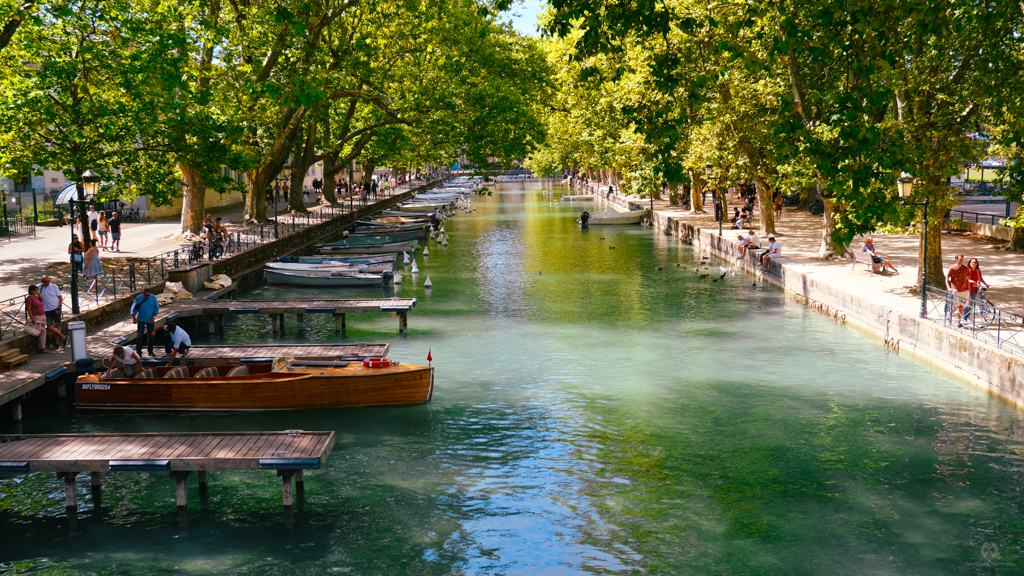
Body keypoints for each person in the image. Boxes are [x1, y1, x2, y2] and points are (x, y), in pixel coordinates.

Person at [37, 276, 67, 349]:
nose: (47, 283)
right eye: (45, 281)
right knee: (49, 326)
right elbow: (32, 291)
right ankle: (63, 337)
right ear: (42, 282)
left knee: (57, 325)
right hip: (46, 310)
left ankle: (57, 343)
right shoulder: (39, 287)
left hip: (56, 308)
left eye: (48, 281)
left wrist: (59, 305)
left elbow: (60, 296)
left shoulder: (54, 286)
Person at [130, 286, 160, 357]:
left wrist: (154, 317)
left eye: (148, 295)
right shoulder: (138, 298)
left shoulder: (153, 297)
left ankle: (150, 351)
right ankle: (139, 352)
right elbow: (133, 308)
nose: (147, 296)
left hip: (150, 319)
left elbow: (157, 308)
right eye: (145, 295)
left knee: (151, 335)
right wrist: (134, 318)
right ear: (142, 293)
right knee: (140, 335)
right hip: (141, 319)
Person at [945, 253, 971, 326]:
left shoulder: (965, 268)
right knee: (957, 306)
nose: (961, 260)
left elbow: (967, 279)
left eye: (962, 259)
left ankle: (959, 322)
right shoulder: (952, 268)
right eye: (960, 259)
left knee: (962, 306)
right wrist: (948, 287)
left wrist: (968, 289)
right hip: (956, 290)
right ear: (956, 259)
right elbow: (947, 278)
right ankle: (948, 315)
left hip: (964, 290)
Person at [25, 285, 51, 353]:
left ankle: (41, 347)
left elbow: (42, 298)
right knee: (43, 331)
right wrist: (32, 318)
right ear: (32, 291)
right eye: (35, 290)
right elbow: (28, 308)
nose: (37, 291)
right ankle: (42, 347)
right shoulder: (29, 298)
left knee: (42, 331)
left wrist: (39, 293)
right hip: (36, 316)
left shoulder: (36, 297)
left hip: (42, 315)